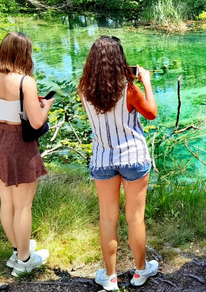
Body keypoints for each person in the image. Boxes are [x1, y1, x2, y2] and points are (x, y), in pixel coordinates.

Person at [78, 36, 159, 291]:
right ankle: (140, 271)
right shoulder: (129, 90)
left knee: (107, 219)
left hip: (102, 158)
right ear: (119, 61)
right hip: (133, 157)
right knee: (135, 219)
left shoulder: (84, 90)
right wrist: (145, 82)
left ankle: (110, 277)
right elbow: (152, 113)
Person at [0, 32, 53, 276]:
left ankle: (16, 251)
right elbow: (35, 121)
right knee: (23, 206)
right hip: (18, 144)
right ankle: (25, 260)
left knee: (7, 202)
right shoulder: (25, 82)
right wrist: (46, 107)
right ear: (24, 54)